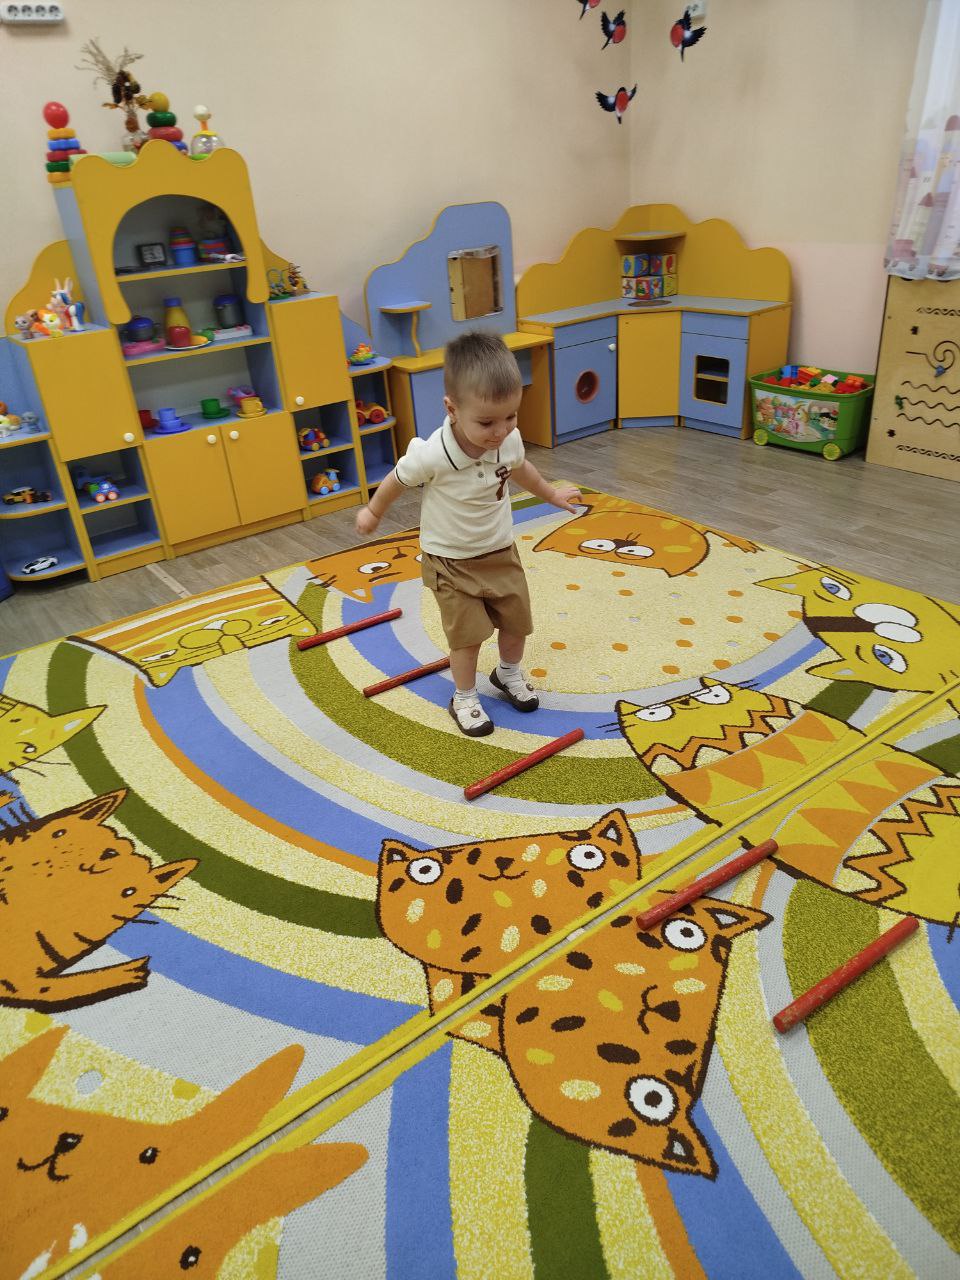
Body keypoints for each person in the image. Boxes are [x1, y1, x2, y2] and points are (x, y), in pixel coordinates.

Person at [355, 331, 581, 736]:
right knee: (468, 638)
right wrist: (374, 511)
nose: (501, 431)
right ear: (452, 409)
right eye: (487, 422)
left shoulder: (507, 440)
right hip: (451, 561)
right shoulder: (433, 454)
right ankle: (463, 697)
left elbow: (521, 468)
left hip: (500, 551)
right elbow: (396, 480)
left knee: (517, 623)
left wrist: (551, 494)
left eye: (511, 417)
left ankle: (507, 673)